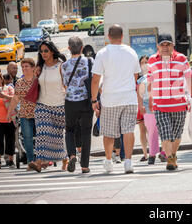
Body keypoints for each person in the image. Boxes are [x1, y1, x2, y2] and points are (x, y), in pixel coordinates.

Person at [91, 24, 142, 174]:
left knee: (109, 132)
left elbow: (95, 79)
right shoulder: (131, 52)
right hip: (129, 97)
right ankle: (128, 162)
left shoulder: (102, 53)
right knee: (128, 131)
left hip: (110, 98)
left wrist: (94, 100)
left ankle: (108, 161)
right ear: (122, 36)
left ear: (108, 36)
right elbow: (136, 75)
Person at [147, 33, 192, 171]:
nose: (165, 47)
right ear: (158, 46)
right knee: (166, 134)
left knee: (177, 135)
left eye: (168, 44)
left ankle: (173, 154)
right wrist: (151, 99)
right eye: (162, 44)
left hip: (179, 104)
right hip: (160, 105)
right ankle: (170, 160)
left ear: (173, 45)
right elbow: (150, 82)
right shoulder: (151, 60)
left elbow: (189, 79)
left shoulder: (182, 59)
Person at [28, 41, 68, 173]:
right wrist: (35, 74)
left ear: (52, 51)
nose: (43, 53)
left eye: (46, 51)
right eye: (41, 51)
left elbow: (67, 85)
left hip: (60, 105)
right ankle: (38, 162)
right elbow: (35, 85)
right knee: (42, 133)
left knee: (58, 135)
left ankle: (65, 159)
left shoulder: (61, 66)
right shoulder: (40, 68)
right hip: (42, 105)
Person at [61, 36, 94, 174]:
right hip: (86, 101)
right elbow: (94, 80)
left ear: (69, 48)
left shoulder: (63, 65)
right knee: (86, 132)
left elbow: (64, 84)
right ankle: (85, 166)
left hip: (70, 102)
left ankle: (72, 155)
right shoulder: (89, 61)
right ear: (82, 48)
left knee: (69, 130)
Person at [7, 58, 37, 169]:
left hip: (38, 114)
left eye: (26, 66)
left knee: (40, 137)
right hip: (24, 114)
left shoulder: (38, 81)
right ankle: (30, 161)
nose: (24, 69)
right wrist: (9, 112)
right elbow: (15, 99)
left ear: (33, 68)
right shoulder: (19, 82)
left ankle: (39, 160)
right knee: (27, 138)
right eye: (23, 67)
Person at [137, 55, 149, 162]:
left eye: (146, 62)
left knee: (152, 130)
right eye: (142, 62)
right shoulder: (138, 78)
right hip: (141, 105)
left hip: (150, 104)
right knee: (142, 130)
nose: (144, 64)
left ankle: (154, 151)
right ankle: (145, 153)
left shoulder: (153, 75)